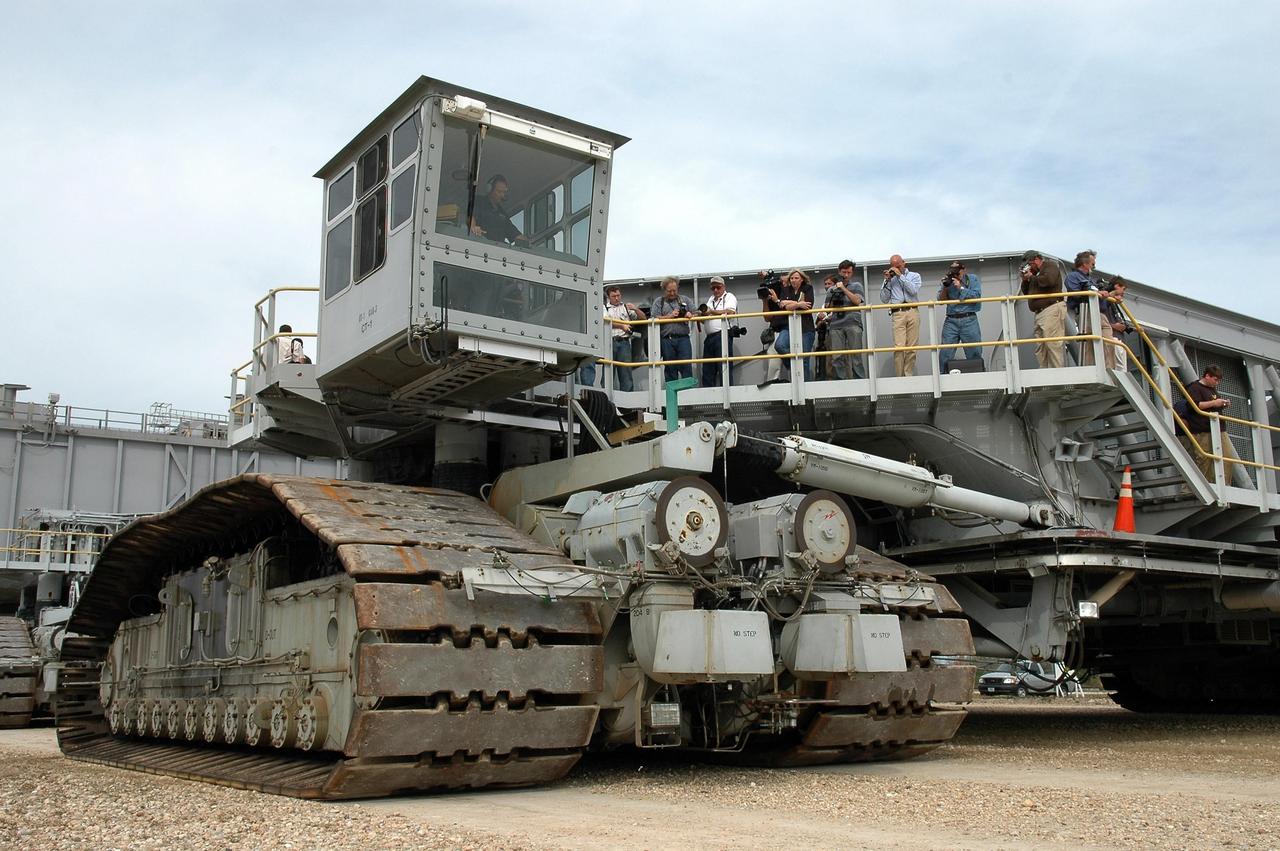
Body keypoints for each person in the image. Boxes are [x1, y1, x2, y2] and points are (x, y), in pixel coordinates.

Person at [1175, 364, 1238, 484]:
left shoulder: (1211, 389)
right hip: (1202, 429)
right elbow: (1194, 406)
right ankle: (1202, 487)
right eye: (1215, 380)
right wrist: (1214, 403)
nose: (1217, 383)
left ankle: (1223, 486)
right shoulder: (1194, 387)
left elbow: (1211, 403)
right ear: (1207, 376)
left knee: (1227, 458)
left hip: (1218, 428)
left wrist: (1222, 403)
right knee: (1204, 459)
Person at [1065, 250, 1113, 368]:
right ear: (1084, 264)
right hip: (1086, 313)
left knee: (1109, 342)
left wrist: (1110, 295)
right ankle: (1089, 370)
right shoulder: (1073, 277)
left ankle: (1110, 370)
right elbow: (1075, 294)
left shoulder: (1091, 280)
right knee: (1089, 346)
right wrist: (1094, 293)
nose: (1094, 267)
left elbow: (1100, 299)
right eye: (1092, 264)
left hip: (1100, 314)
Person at [1020, 250, 1066, 368]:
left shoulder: (1050, 266)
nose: (1029, 267)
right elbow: (1026, 292)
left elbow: (1048, 281)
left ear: (1037, 259)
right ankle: (1045, 373)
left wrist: (1033, 277)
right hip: (1039, 312)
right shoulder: (1036, 274)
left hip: (1051, 308)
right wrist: (1025, 279)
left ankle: (1057, 374)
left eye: (1030, 264)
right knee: (1041, 346)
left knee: (1052, 343)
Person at [822, 260, 866, 380]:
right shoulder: (832, 289)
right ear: (839, 272)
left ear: (852, 273)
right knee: (837, 357)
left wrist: (844, 289)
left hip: (853, 322)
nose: (846, 275)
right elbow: (827, 308)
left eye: (849, 272)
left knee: (855, 354)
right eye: (844, 272)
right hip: (836, 324)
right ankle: (841, 382)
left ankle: (860, 382)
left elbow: (857, 301)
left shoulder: (856, 285)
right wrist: (834, 291)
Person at [880, 254, 922, 376]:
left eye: (898, 266)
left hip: (912, 310)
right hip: (897, 313)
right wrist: (887, 281)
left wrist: (900, 276)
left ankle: (908, 375)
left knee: (912, 347)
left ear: (904, 263)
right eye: (893, 267)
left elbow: (913, 291)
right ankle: (899, 377)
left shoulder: (914, 276)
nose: (896, 268)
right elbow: (883, 299)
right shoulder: (889, 279)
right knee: (899, 347)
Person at [770, 270, 816, 381]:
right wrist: (798, 303)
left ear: (802, 279)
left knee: (804, 359)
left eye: (796, 278)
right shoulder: (786, 290)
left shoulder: (808, 288)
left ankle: (806, 388)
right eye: (791, 278)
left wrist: (788, 302)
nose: (794, 280)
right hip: (789, 326)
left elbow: (808, 305)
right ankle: (793, 366)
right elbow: (783, 306)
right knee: (779, 345)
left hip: (806, 327)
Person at [937, 261, 983, 370]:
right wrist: (945, 287)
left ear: (963, 270)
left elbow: (976, 296)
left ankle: (977, 378)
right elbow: (941, 300)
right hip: (951, 320)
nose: (955, 273)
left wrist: (960, 287)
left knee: (974, 351)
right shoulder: (948, 279)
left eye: (957, 271)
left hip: (969, 319)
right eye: (953, 270)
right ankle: (943, 377)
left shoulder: (972, 279)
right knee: (945, 353)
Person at [651, 276, 695, 382]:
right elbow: (654, 317)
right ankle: (672, 396)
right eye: (669, 291)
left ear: (678, 288)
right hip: (667, 340)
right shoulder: (659, 302)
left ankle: (687, 395)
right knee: (670, 369)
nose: (672, 293)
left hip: (683, 339)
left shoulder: (685, 299)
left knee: (686, 367)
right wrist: (669, 316)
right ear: (664, 289)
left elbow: (697, 312)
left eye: (674, 290)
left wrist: (690, 314)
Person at [699, 276, 738, 387]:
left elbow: (730, 311)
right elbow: (707, 317)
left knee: (724, 368)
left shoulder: (729, 296)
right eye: (713, 288)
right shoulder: (711, 299)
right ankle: (708, 397)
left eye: (718, 287)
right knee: (707, 369)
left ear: (723, 287)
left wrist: (712, 311)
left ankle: (727, 396)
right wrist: (701, 315)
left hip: (723, 335)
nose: (715, 290)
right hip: (709, 337)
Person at [470, 175, 528, 245]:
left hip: (498, 249)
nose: (502, 195)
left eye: (504, 192)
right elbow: (471, 216)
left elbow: (513, 232)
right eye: (499, 192)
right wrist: (473, 227)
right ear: (489, 189)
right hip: (479, 244)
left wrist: (524, 241)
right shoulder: (479, 201)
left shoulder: (502, 213)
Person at [604, 285, 640, 391]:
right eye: (613, 296)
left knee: (626, 374)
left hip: (624, 343)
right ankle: (605, 400)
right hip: (609, 343)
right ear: (608, 297)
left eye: (618, 295)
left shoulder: (625, 307)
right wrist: (622, 326)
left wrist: (635, 308)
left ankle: (627, 404)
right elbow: (606, 321)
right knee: (607, 374)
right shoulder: (604, 308)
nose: (617, 298)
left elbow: (643, 318)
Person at [1101, 278, 1133, 370]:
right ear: (1117, 286)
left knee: (1122, 368)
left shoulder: (1113, 301)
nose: (1123, 293)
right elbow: (1098, 321)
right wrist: (1115, 326)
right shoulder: (1104, 300)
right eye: (1123, 289)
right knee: (1118, 368)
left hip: (1119, 339)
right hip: (1112, 338)